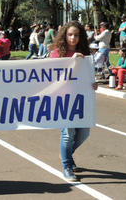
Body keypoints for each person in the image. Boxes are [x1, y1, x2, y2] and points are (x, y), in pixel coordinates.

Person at [49, 21, 98, 182]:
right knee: (67, 135)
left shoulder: (85, 52)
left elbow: (87, 76)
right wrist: (73, 62)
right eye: (70, 34)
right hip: (63, 100)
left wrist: (93, 83)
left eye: (76, 34)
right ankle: (67, 166)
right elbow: (56, 79)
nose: (73, 38)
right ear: (64, 35)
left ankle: (67, 153)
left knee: (84, 132)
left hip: (81, 99)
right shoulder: (57, 53)